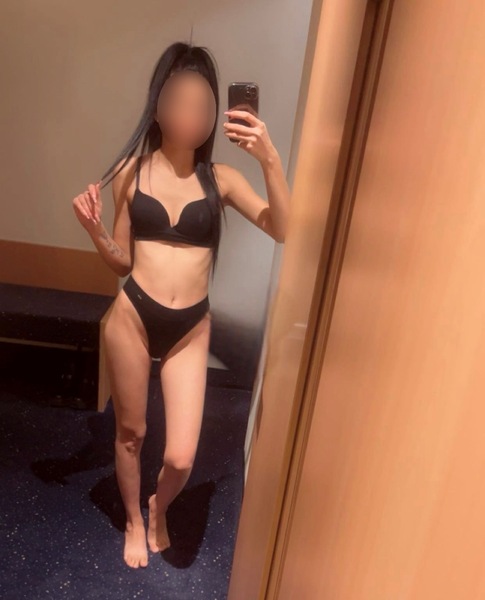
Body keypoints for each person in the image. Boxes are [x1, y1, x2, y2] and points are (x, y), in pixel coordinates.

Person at [72, 41, 290, 569]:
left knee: (181, 456)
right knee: (131, 434)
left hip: (190, 327)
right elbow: (122, 264)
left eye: (203, 106)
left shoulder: (222, 179)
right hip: (132, 316)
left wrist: (269, 158)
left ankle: (159, 505)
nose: (191, 115)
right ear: (158, 108)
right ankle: (133, 519)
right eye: (179, 102)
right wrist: (96, 231)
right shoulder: (132, 170)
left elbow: (282, 228)